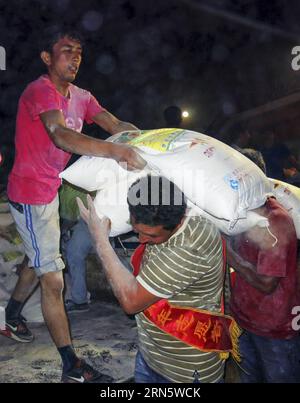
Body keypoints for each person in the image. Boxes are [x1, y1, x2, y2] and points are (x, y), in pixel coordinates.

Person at [0, 29, 146, 383]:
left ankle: (10, 315)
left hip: (50, 188)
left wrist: (141, 139)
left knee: (38, 262)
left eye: (79, 51)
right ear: (47, 58)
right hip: (31, 193)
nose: (75, 57)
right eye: (66, 51)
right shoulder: (39, 91)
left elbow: (113, 124)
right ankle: (72, 367)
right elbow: (61, 135)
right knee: (53, 278)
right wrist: (115, 151)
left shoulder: (82, 96)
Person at [77, 175, 241, 383]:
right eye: (137, 230)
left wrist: (100, 240)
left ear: (179, 221)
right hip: (151, 355)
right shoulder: (169, 216)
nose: (142, 240)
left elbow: (130, 301)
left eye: (152, 236)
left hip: (185, 370)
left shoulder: (188, 247)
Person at [226, 197, 300, 383]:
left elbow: (267, 284)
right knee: (250, 376)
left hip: (275, 326)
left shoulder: (275, 221)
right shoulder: (236, 211)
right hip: (244, 317)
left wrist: (227, 253)